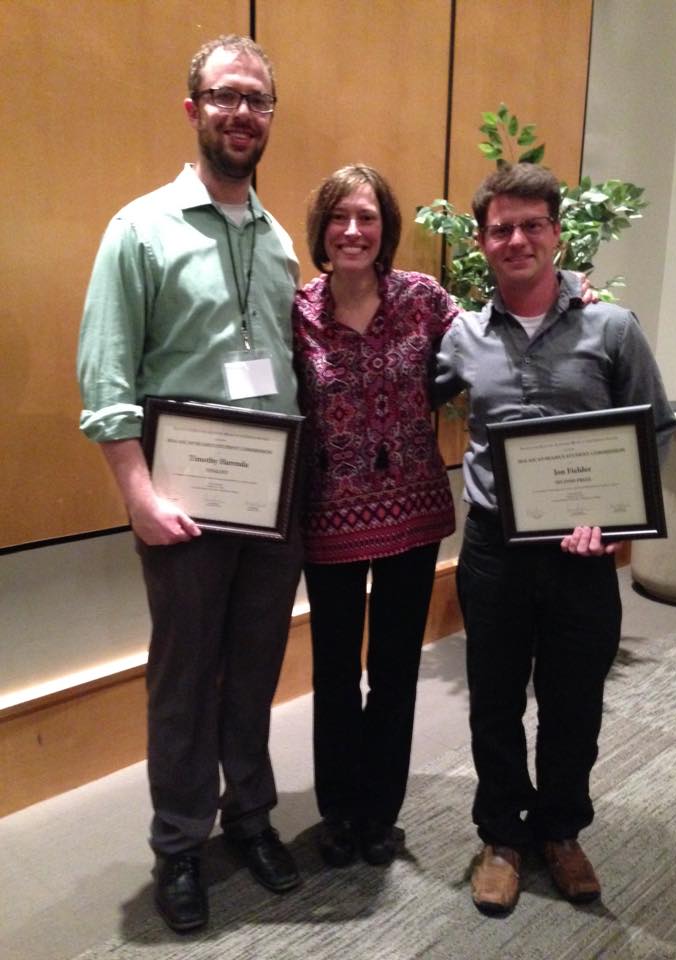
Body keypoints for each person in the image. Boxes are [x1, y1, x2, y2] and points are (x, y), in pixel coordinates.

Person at [77, 35, 304, 932]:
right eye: (224, 96)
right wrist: (136, 494)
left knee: (254, 669)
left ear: (271, 116)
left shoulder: (279, 241)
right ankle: (178, 843)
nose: (241, 113)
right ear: (193, 109)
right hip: (182, 504)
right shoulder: (139, 229)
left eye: (256, 99)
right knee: (183, 677)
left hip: (271, 502)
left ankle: (249, 817)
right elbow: (106, 377)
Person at [434, 163, 676, 916]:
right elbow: (399, 393)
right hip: (494, 550)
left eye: (532, 225)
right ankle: (502, 838)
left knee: (575, 702)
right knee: (495, 700)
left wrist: (617, 526)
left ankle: (561, 830)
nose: (517, 240)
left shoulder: (613, 327)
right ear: (482, 242)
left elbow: (654, 430)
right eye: (501, 228)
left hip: (583, 554)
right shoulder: (462, 335)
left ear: (557, 234)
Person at [292, 165, 457, 867]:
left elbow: (496, 339)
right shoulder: (295, 312)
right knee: (334, 672)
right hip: (327, 519)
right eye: (339, 217)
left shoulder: (424, 300)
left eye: (367, 217)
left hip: (412, 517)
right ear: (321, 229)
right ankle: (339, 811)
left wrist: (572, 293)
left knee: (394, 670)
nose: (353, 230)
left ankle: (380, 812)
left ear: (385, 227)